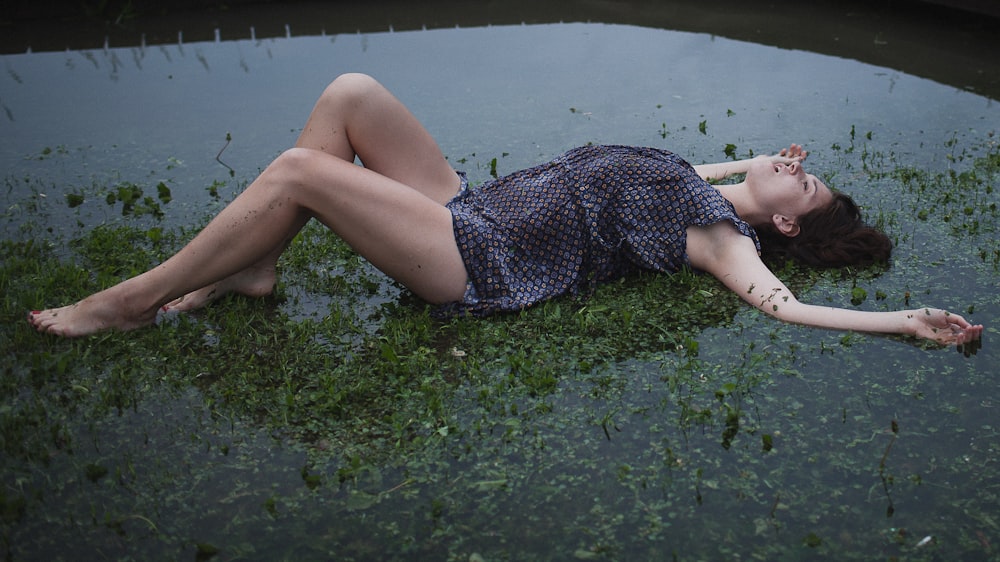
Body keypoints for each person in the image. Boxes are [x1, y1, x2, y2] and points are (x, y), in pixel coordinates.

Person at [27, 73, 982, 347]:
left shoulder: (720, 237)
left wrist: (905, 321)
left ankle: (128, 302)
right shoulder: (707, 186)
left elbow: (787, 306)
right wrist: (756, 158)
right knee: (351, 95)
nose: (789, 163)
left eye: (800, 183)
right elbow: (689, 163)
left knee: (294, 172)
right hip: (472, 207)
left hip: (477, 262)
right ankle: (253, 267)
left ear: (782, 224)